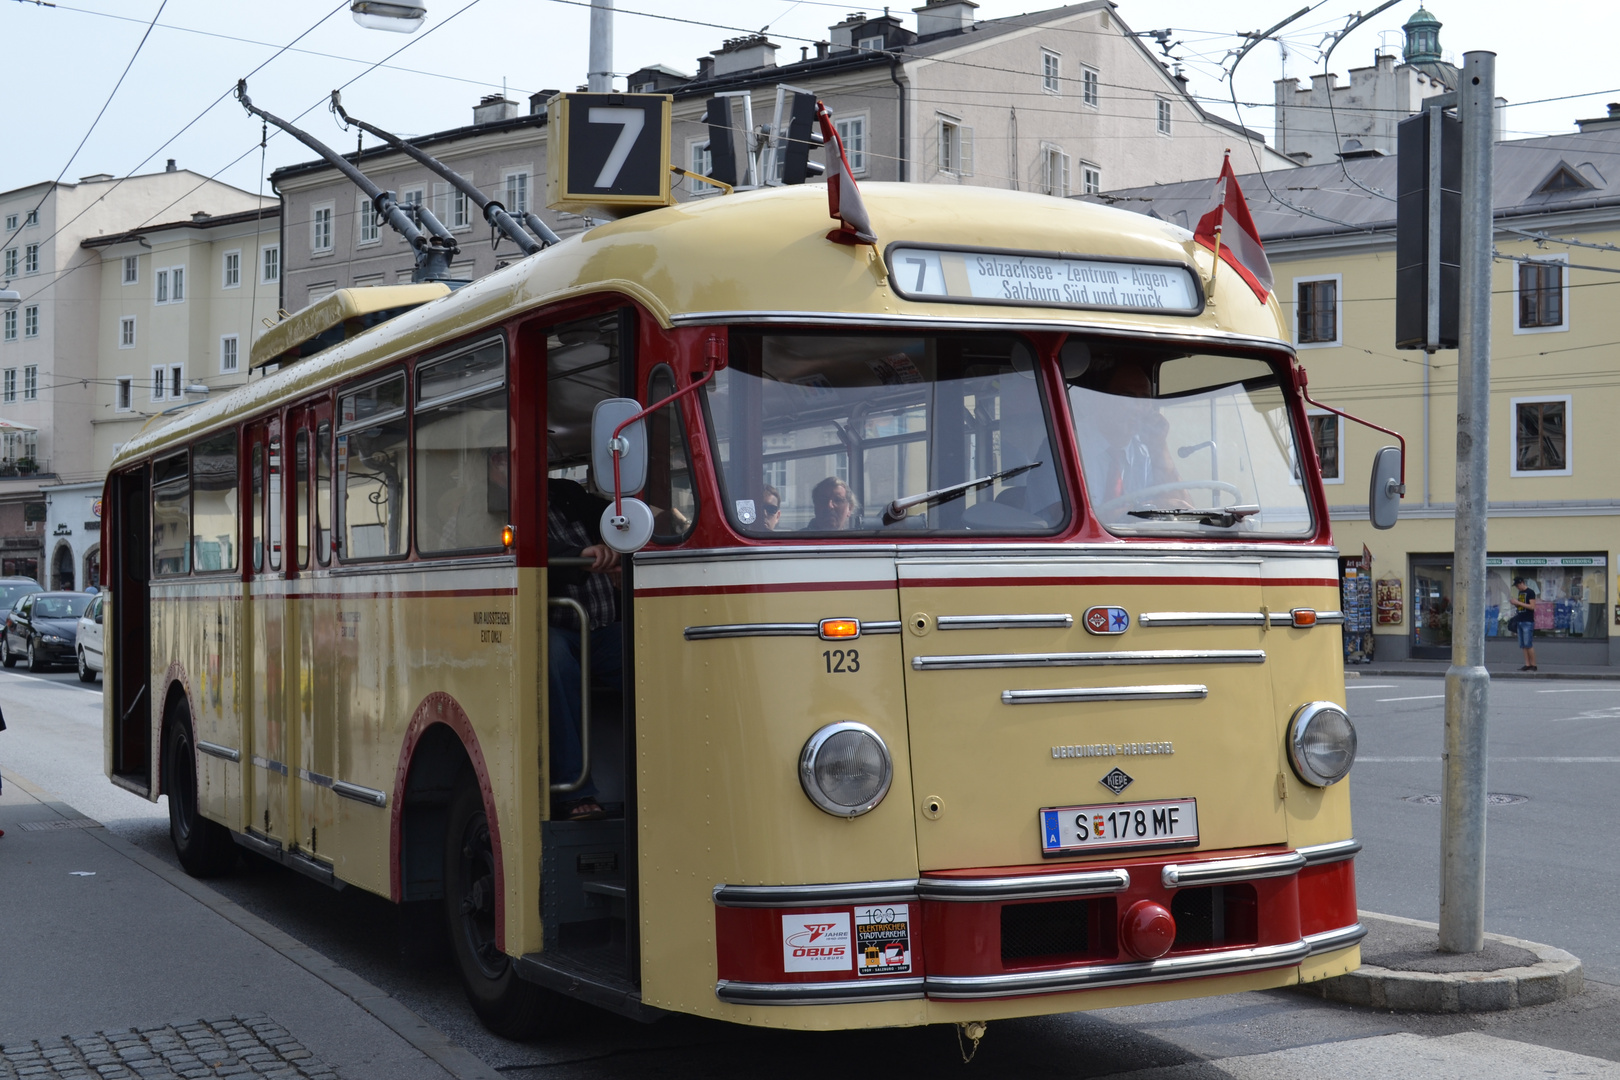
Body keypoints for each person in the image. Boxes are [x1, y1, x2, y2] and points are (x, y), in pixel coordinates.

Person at [547, 477, 623, 821]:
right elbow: (521, 546)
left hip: (601, 630)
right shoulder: (488, 506)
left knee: (654, 649)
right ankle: (574, 790)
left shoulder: (565, 494)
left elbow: (614, 518)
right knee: (554, 658)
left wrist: (660, 518)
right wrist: (578, 556)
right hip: (551, 628)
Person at [1510, 575, 1538, 671]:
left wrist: (1518, 603)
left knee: (1528, 643)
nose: (1517, 587)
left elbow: (1532, 607)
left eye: (1518, 585)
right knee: (1522, 644)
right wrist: (1516, 604)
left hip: (1528, 620)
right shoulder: (1520, 592)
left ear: (1522, 583)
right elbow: (1522, 607)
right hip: (1520, 619)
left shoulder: (1530, 592)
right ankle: (1527, 664)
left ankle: (1533, 664)